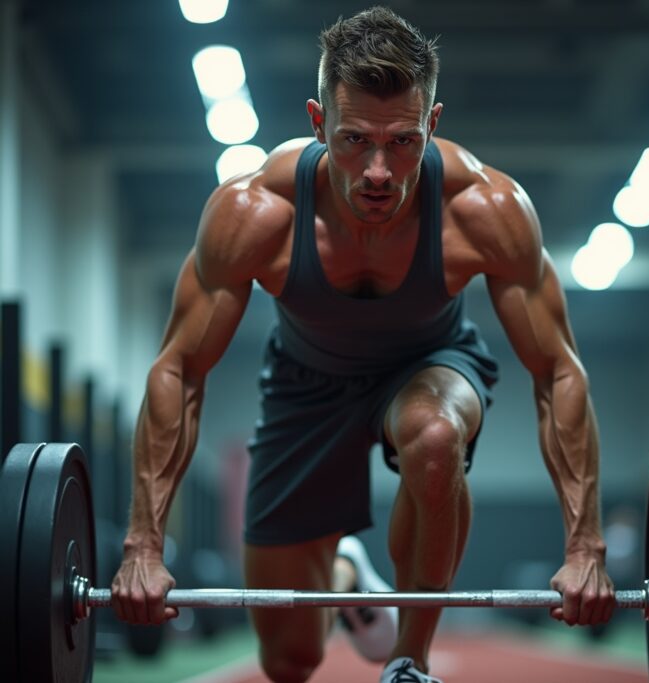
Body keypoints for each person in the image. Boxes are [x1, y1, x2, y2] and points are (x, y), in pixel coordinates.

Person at [111, 6, 615, 682]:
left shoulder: (485, 210)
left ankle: (410, 660)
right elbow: (180, 369)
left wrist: (585, 544)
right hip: (303, 386)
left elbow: (558, 369)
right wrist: (143, 543)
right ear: (318, 122)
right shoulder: (255, 212)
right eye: (354, 140)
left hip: (431, 366)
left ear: (433, 126)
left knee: (435, 437)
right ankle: (347, 572)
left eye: (403, 142)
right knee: (290, 658)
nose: (378, 170)